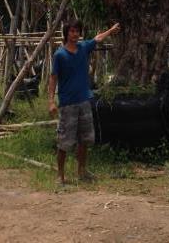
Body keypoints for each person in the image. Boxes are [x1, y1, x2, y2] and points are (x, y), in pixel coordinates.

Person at [48, 18, 120, 184]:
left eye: (77, 31)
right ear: (66, 33)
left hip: (84, 101)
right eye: (72, 31)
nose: (75, 34)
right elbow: (53, 78)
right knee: (64, 142)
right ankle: (60, 175)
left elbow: (97, 38)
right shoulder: (60, 55)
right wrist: (51, 101)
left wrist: (111, 30)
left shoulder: (83, 48)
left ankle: (82, 172)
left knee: (84, 140)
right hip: (67, 104)